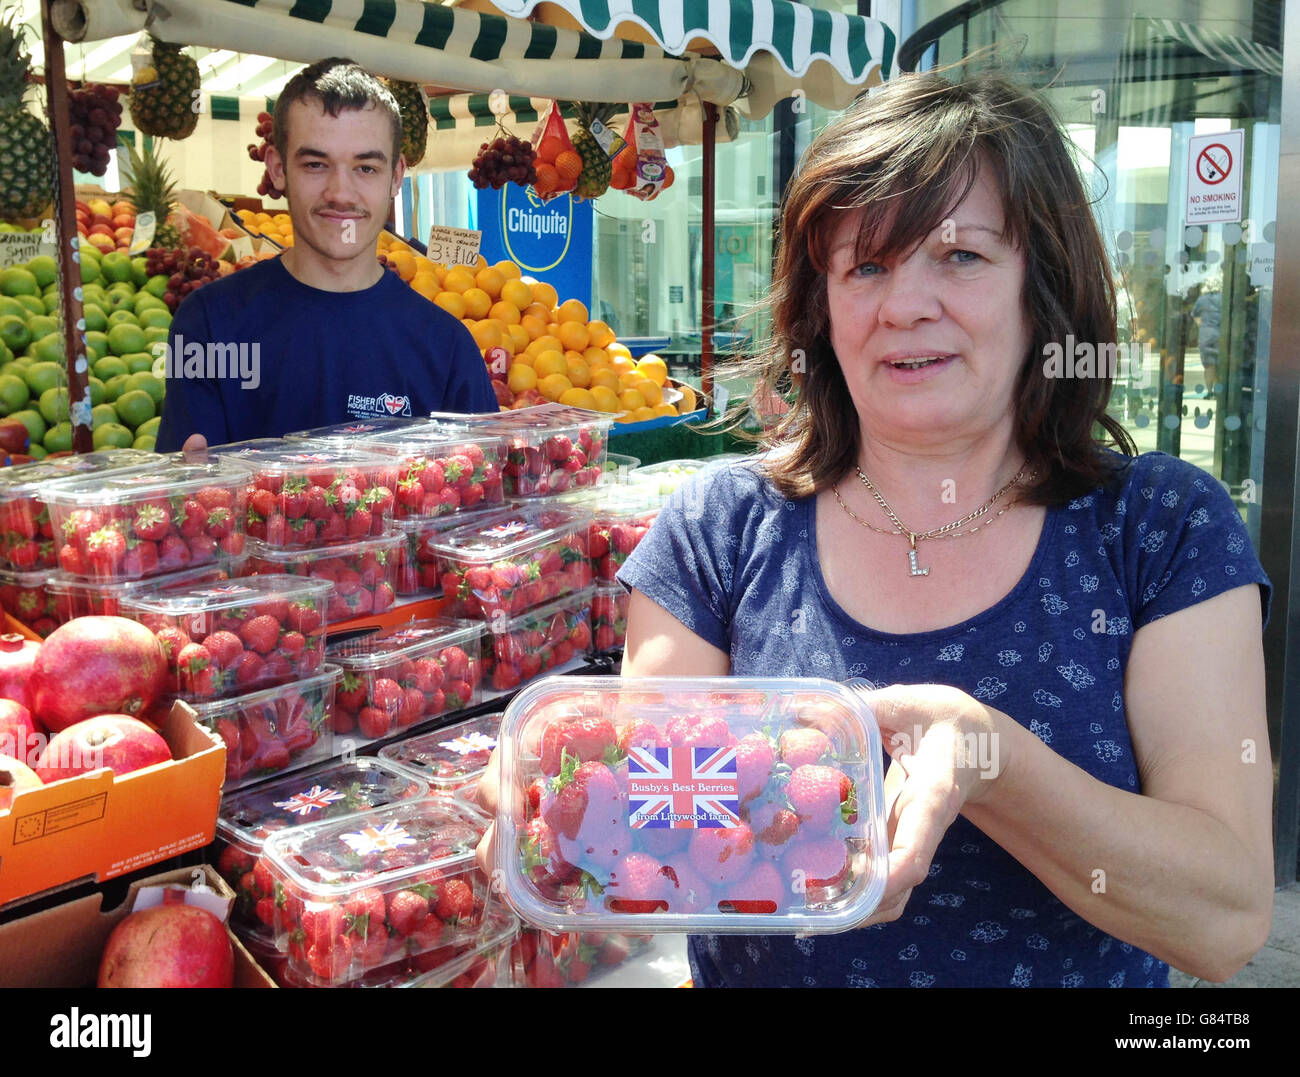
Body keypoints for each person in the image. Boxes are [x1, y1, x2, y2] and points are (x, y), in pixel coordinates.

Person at [479, 70, 1273, 988]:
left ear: (1042, 288)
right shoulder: (723, 529)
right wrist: (561, 813)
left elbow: (1227, 919)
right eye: (866, 266)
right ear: (823, 305)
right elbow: (659, 833)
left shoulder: (1159, 530)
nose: (904, 306)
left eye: (960, 257)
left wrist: (989, 757)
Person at [155, 58, 496, 453]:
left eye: (365, 168)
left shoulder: (446, 348)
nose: (341, 193)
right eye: (316, 164)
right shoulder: (209, 325)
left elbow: (479, 500)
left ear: (396, 177)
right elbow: (192, 495)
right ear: (278, 169)